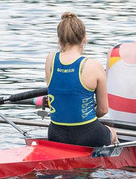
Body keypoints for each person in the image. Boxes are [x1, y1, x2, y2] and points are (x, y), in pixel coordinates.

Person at [44, 12, 118, 147]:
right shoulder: (94, 65)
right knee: (112, 133)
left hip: (56, 134)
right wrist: (87, 113)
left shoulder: (50, 60)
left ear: (59, 40)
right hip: (89, 133)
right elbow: (103, 109)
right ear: (84, 38)